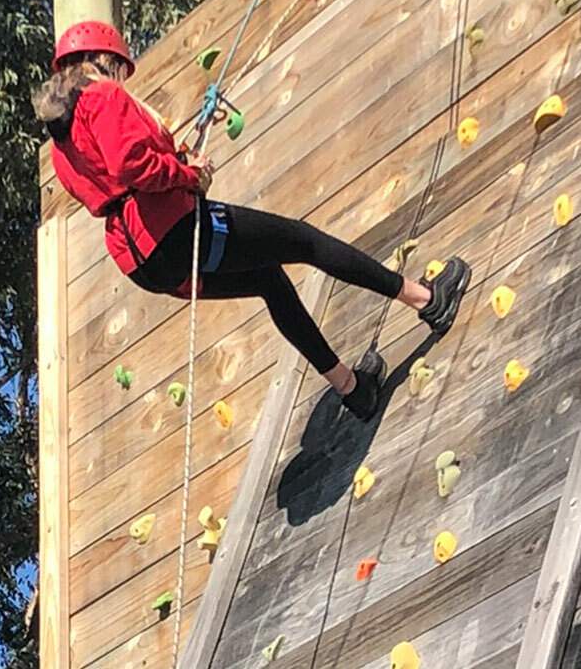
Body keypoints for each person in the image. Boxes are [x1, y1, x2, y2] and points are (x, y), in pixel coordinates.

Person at [36, 21, 471, 421]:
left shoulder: (60, 145)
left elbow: (114, 180)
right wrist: (187, 175)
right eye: (119, 69)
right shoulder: (103, 97)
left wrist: (178, 160)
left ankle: (353, 388)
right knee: (306, 243)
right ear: (105, 61)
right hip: (173, 229)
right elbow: (132, 165)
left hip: (142, 264)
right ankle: (426, 299)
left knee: (268, 281)